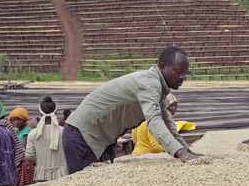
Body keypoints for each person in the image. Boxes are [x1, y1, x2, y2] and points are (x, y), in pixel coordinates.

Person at [63, 46, 202, 174]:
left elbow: (168, 124)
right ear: (161, 66)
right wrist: (181, 153)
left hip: (95, 138)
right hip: (81, 137)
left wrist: (187, 151)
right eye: (178, 71)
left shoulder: (157, 88)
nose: (182, 77)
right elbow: (154, 121)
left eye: (185, 72)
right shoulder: (149, 83)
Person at [132, 93, 196, 155]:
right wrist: (175, 149)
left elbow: (134, 139)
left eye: (175, 105)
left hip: (136, 152)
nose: (173, 108)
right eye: (170, 105)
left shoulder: (141, 118)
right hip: (147, 155)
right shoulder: (155, 123)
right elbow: (156, 146)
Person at [25, 97, 68, 182]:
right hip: (62, 175)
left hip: (41, 175)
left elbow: (29, 156)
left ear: (40, 113)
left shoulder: (33, 134)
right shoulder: (64, 132)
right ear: (55, 112)